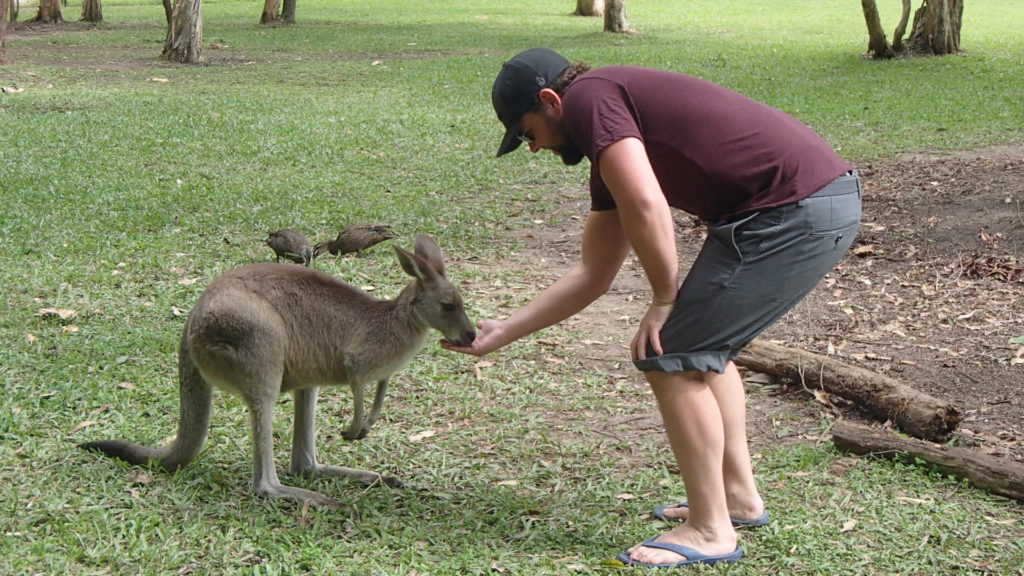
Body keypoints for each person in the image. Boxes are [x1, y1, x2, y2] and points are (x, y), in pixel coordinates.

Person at [442, 48, 861, 569]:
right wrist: (503, 332)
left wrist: (665, 299)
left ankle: (711, 530)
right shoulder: (611, 141)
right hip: (797, 206)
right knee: (704, 351)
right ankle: (736, 499)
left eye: (528, 133)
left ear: (551, 101)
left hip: (793, 210)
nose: (533, 149)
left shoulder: (592, 98)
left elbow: (646, 203)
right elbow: (593, 275)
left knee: (674, 352)